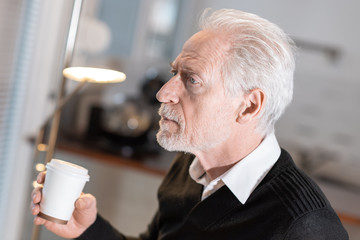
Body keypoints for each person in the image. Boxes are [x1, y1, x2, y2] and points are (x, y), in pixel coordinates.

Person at [31, 8, 349, 239]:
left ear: (249, 106)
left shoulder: (304, 225)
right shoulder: (189, 166)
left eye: (192, 80)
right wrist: (89, 230)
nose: (163, 93)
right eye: (174, 73)